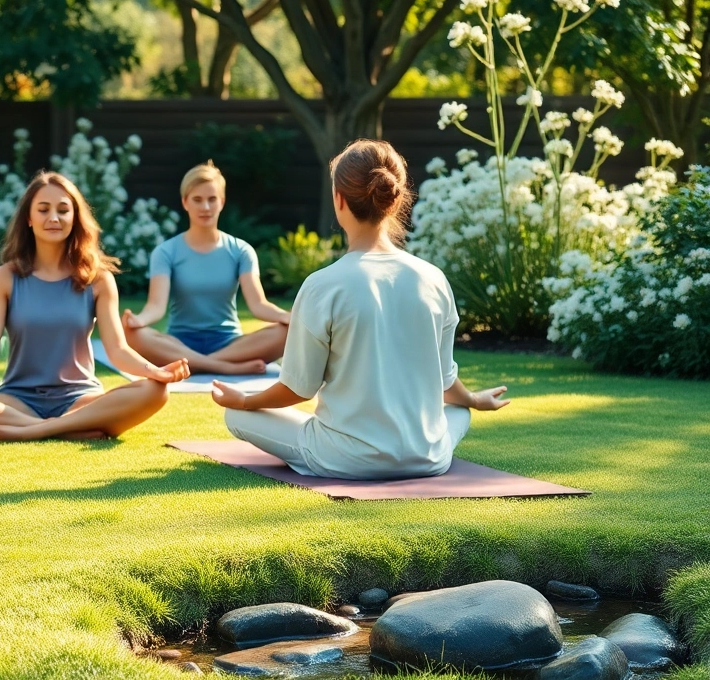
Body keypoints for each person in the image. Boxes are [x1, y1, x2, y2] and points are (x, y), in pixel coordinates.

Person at [210, 140, 509, 479]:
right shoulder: (433, 279)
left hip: (345, 459)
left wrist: (245, 401)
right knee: (460, 412)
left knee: (236, 416)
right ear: (394, 201)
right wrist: (472, 399)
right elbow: (445, 381)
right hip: (427, 457)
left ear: (339, 200)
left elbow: (298, 389)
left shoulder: (323, 285)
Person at [0, 171, 190, 442]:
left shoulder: (99, 280)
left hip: (80, 401)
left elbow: (118, 350)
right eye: (43, 210)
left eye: (63, 210)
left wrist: (154, 371)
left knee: (156, 391)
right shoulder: (3, 278)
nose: (54, 218)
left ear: (75, 218)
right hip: (17, 401)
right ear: (29, 218)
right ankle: (65, 429)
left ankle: (34, 431)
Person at [123, 161, 290, 375]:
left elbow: (259, 305)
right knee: (132, 334)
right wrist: (138, 320)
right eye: (197, 200)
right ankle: (222, 367)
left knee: (288, 332)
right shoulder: (165, 252)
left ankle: (197, 364)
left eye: (212, 199)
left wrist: (287, 317)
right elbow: (156, 306)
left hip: (230, 345)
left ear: (222, 201)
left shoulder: (241, 250)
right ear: (185, 202)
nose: (205, 207)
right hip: (179, 344)